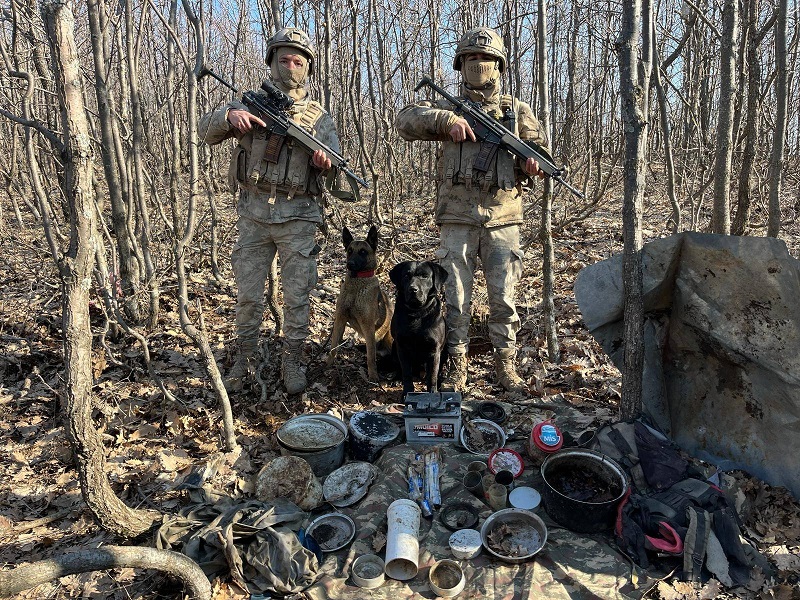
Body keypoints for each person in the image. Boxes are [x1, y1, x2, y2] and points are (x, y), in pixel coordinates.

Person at [395, 27, 550, 393]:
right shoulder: (448, 107)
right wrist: (446, 122)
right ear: (460, 65)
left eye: (486, 59)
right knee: (456, 298)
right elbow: (405, 121)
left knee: (504, 298)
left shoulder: (516, 111)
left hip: (504, 217)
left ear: (499, 66)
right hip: (457, 218)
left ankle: (505, 364)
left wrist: (534, 164)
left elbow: (541, 152)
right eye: (470, 60)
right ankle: (457, 363)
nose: (479, 65)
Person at [199, 28, 340, 395]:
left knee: (298, 296)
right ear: (272, 61)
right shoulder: (249, 104)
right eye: (284, 59)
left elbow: (339, 171)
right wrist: (227, 117)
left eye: (298, 61)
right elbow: (206, 132)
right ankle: (244, 358)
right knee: (248, 294)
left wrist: (326, 164)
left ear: (307, 68)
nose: (290, 67)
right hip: (254, 214)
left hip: (299, 216)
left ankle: (292, 359)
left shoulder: (319, 117)